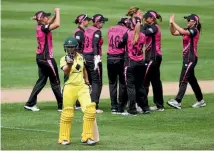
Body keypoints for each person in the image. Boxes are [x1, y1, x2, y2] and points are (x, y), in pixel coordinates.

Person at [58, 37, 96, 145]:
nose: (69, 49)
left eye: (71, 47)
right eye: (68, 47)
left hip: (82, 87)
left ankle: (87, 137)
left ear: (76, 48)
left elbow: (84, 69)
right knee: (68, 113)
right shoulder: (63, 59)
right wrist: (69, 65)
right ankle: (64, 138)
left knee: (90, 110)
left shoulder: (81, 57)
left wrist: (87, 82)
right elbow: (65, 72)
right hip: (69, 87)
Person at [24, 8, 62, 112]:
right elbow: (57, 24)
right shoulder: (44, 28)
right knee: (55, 82)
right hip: (47, 59)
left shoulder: (39, 26)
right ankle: (61, 106)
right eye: (46, 16)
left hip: (40, 58)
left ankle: (30, 104)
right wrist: (58, 12)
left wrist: (54, 15)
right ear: (41, 19)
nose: (48, 18)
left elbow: (49, 23)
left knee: (41, 81)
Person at [168, 14, 206, 109]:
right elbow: (174, 33)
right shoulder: (189, 30)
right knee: (192, 80)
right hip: (187, 58)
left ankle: (177, 101)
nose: (187, 21)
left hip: (191, 58)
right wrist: (171, 24)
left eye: (189, 20)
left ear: (194, 22)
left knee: (183, 79)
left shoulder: (194, 30)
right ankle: (200, 100)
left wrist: (173, 22)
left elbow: (181, 31)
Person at [118, 17, 150, 116]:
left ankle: (132, 109)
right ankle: (145, 108)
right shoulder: (143, 35)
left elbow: (120, 44)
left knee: (130, 87)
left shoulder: (128, 34)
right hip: (140, 62)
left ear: (131, 24)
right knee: (140, 86)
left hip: (130, 63)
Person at [83, 14, 108, 113]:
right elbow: (94, 44)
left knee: (89, 81)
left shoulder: (88, 29)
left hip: (86, 56)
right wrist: (97, 57)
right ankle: (94, 105)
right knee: (96, 82)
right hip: (93, 58)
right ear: (97, 22)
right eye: (102, 22)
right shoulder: (97, 31)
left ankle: (86, 102)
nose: (103, 24)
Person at [141, 10, 164, 111]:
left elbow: (143, 33)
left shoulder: (154, 28)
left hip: (152, 57)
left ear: (151, 18)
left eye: (146, 18)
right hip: (154, 57)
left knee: (145, 81)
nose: (144, 20)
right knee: (155, 81)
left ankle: (143, 105)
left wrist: (140, 25)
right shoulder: (152, 26)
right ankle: (159, 105)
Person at [107, 18, 129, 114]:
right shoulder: (126, 30)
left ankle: (113, 107)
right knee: (122, 83)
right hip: (121, 58)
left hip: (110, 58)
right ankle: (121, 107)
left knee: (112, 83)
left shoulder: (110, 29)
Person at [73, 14, 92, 109]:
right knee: (80, 80)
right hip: (79, 59)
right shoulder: (79, 33)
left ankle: (79, 102)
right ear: (82, 21)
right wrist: (79, 59)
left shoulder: (81, 31)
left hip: (80, 58)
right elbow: (76, 48)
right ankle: (78, 103)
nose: (88, 22)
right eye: (87, 20)